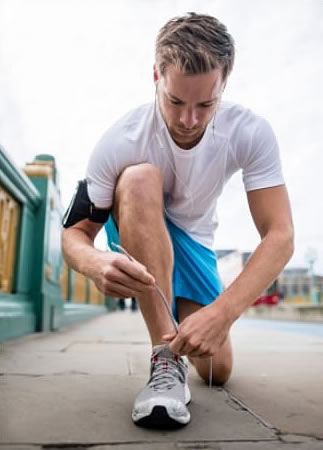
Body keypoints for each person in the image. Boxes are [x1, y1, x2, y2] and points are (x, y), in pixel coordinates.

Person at [62, 12, 294, 429]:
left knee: (215, 370)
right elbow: (75, 234)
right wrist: (95, 263)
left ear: (224, 83)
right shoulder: (121, 139)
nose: (189, 121)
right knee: (138, 177)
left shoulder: (250, 132)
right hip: (138, 215)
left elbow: (280, 235)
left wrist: (222, 312)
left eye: (206, 104)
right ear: (156, 76)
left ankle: (184, 341)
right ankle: (164, 365)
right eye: (175, 101)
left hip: (196, 243)